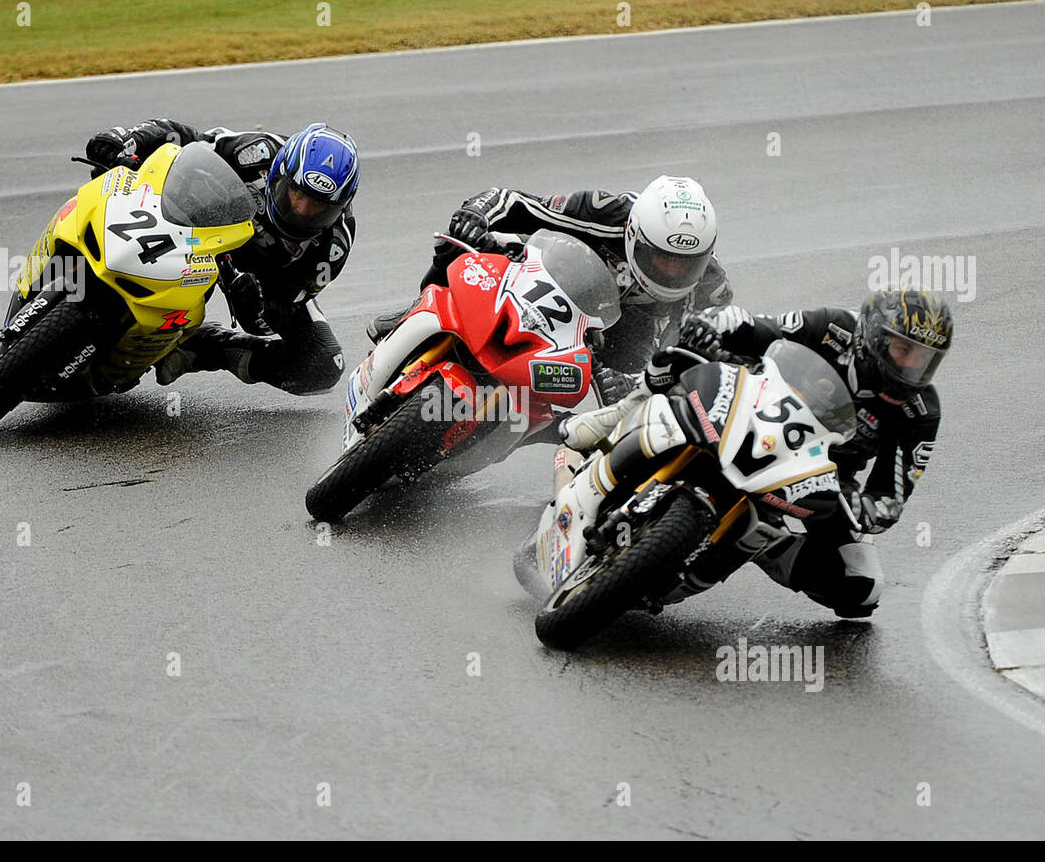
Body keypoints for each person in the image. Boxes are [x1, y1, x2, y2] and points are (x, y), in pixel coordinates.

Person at [559, 288, 953, 618]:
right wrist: (713, 327)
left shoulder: (919, 412)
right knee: (676, 359)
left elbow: (891, 494)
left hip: (817, 471)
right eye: (903, 351)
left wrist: (870, 509)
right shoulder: (835, 327)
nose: (911, 369)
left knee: (860, 588)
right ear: (873, 337)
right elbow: (757, 327)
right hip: (752, 408)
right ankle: (614, 418)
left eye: (924, 360)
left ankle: (762, 542)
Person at [366, 176, 733, 402]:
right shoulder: (606, 212)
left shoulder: (712, 289)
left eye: (686, 263)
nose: (671, 271)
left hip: (624, 332)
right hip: (562, 277)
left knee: (629, 402)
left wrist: (640, 384)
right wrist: (476, 215)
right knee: (463, 242)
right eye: (661, 258)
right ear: (635, 235)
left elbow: (692, 362)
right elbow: (513, 201)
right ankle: (416, 312)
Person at [83, 119, 358, 394]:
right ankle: (73, 267)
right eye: (295, 193)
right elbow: (187, 139)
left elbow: (284, 308)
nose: (300, 209)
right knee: (112, 176)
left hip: (262, 275)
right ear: (278, 172)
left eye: (318, 207)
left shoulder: (333, 248)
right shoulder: (258, 150)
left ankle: (200, 349)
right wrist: (129, 140)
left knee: (323, 364)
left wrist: (258, 307)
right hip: (202, 222)